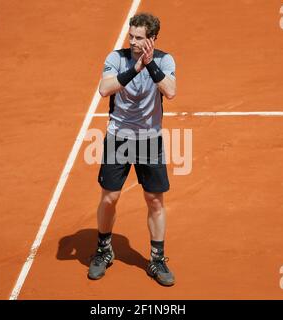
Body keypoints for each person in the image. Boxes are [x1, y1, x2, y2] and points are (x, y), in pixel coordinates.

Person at [88, 12, 177, 286]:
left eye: (139, 38)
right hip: (119, 137)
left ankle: (157, 259)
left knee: (154, 200)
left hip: (150, 139)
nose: (133, 41)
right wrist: (136, 68)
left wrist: (150, 66)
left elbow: (170, 91)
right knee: (109, 198)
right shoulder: (116, 58)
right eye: (131, 36)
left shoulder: (165, 60)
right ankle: (104, 250)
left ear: (152, 39)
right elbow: (105, 89)